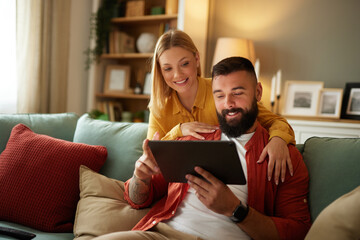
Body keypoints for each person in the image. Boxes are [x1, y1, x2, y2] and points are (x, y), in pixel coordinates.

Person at [94, 57, 311, 240]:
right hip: (159, 233)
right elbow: (137, 199)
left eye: (237, 93)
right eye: (219, 95)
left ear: (257, 92)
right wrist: (141, 176)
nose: (228, 103)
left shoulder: (282, 155)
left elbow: (298, 231)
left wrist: (235, 210)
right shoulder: (193, 139)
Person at [147, 29, 295, 184]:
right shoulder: (159, 108)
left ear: (197, 59)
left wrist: (278, 140)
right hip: (184, 188)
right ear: (160, 70)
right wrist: (179, 130)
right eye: (168, 68)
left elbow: (277, 122)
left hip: (230, 180)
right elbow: (151, 156)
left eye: (184, 64)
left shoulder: (222, 92)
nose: (177, 75)